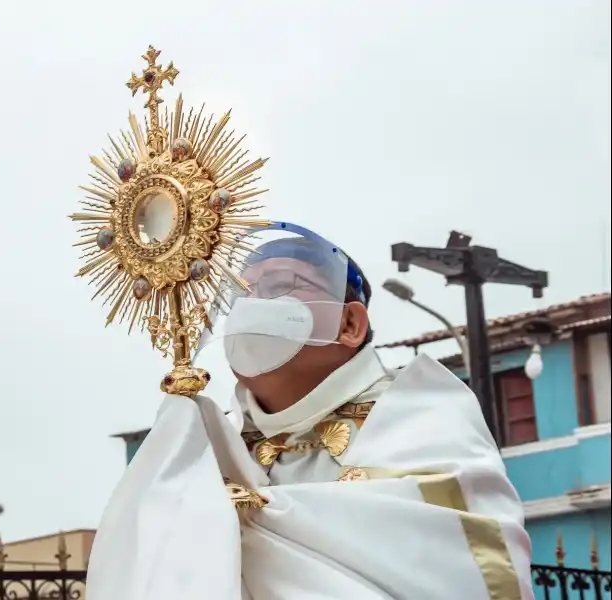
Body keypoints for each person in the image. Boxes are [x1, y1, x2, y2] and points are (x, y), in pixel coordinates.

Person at [86, 222, 534, 600]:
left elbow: (463, 564)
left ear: (349, 324)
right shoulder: (216, 445)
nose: (252, 307)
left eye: (282, 287)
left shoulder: (422, 414)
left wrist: (243, 515)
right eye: (240, 294)